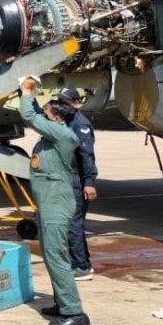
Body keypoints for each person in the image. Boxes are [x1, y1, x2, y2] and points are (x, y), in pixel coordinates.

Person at [19, 77, 91, 325]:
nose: (43, 118)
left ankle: (75, 313)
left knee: (57, 257)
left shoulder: (62, 135)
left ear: (58, 119)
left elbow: (29, 116)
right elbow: (36, 116)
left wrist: (26, 92)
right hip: (49, 201)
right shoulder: (53, 135)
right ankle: (62, 303)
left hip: (56, 202)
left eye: (47, 115)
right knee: (51, 256)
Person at [57, 87, 98, 281]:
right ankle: (84, 262)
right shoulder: (67, 120)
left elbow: (86, 155)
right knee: (74, 223)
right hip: (69, 176)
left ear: (75, 103)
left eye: (64, 102)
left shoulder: (80, 124)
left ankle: (81, 267)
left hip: (77, 178)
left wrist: (89, 182)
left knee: (74, 224)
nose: (61, 105)